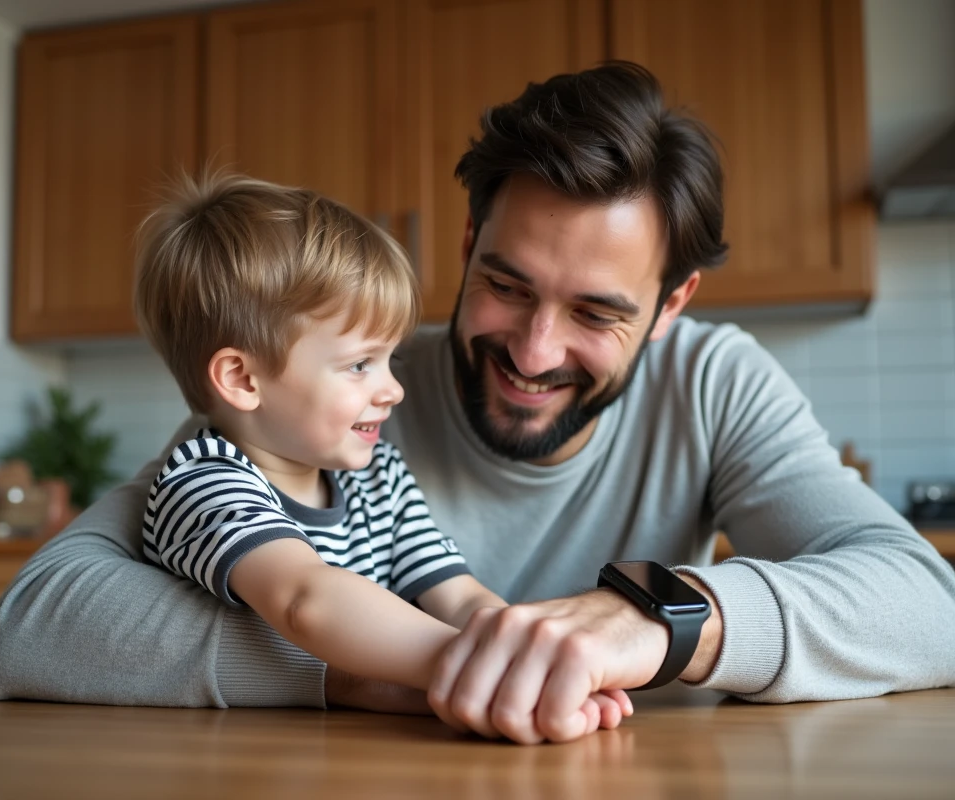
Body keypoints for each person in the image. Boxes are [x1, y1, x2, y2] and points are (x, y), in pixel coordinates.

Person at [0, 62, 955, 745]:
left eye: (596, 309)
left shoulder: (716, 382)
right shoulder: (315, 398)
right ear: (465, 248)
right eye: (507, 284)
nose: (535, 350)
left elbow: (932, 610)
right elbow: (32, 622)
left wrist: (660, 624)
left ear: (673, 304)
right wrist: (367, 673)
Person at [129, 174, 628, 737]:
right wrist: (476, 670)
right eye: (360, 364)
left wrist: (529, 657)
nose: (394, 390)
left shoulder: (380, 477)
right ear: (243, 378)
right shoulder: (203, 482)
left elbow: (458, 595)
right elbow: (305, 600)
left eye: (391, 360)